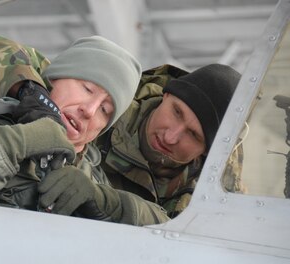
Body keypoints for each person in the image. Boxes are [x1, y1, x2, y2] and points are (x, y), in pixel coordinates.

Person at [0, 34, 170, 226]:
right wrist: (17, 143)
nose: (90, 109)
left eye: (105, 111)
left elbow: (167, 229)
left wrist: (107, 202)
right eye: (87, 89)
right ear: (52, 80)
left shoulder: (89, 177)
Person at [87, 63, 243, 218]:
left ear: (207, 150)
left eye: (193, 134)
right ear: (166, 95)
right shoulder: (97, 120)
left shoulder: (216, 197)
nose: (170, 138)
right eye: (177, 112)